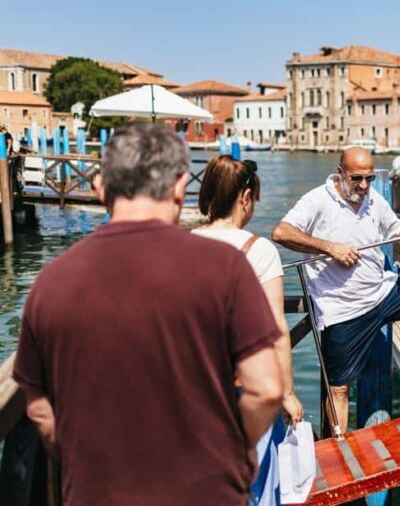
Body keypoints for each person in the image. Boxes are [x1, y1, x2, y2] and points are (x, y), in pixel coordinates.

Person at [13, 122, 284, 505]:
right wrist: (230, 455)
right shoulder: (226, 268)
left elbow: (39, 408)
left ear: (101, 188)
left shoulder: (50, 284)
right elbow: (267, 388)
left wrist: (87, 460)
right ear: (178, 187)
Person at [272, 147, 400, 432]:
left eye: (369, 178)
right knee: (339, 389)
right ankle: (337, 449)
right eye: (357, 179)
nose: (364, 186)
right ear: (340, 174)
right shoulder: (317, 199)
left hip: (383, 292)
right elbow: (281, 232)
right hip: (341, 309)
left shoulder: (373, 198)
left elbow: (393, 228)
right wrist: (330, 248)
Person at [193, 154, 302, 505]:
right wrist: (286, 391)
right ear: (244, 197)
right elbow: (276, 330)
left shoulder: (182, 244)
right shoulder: (259, 251)